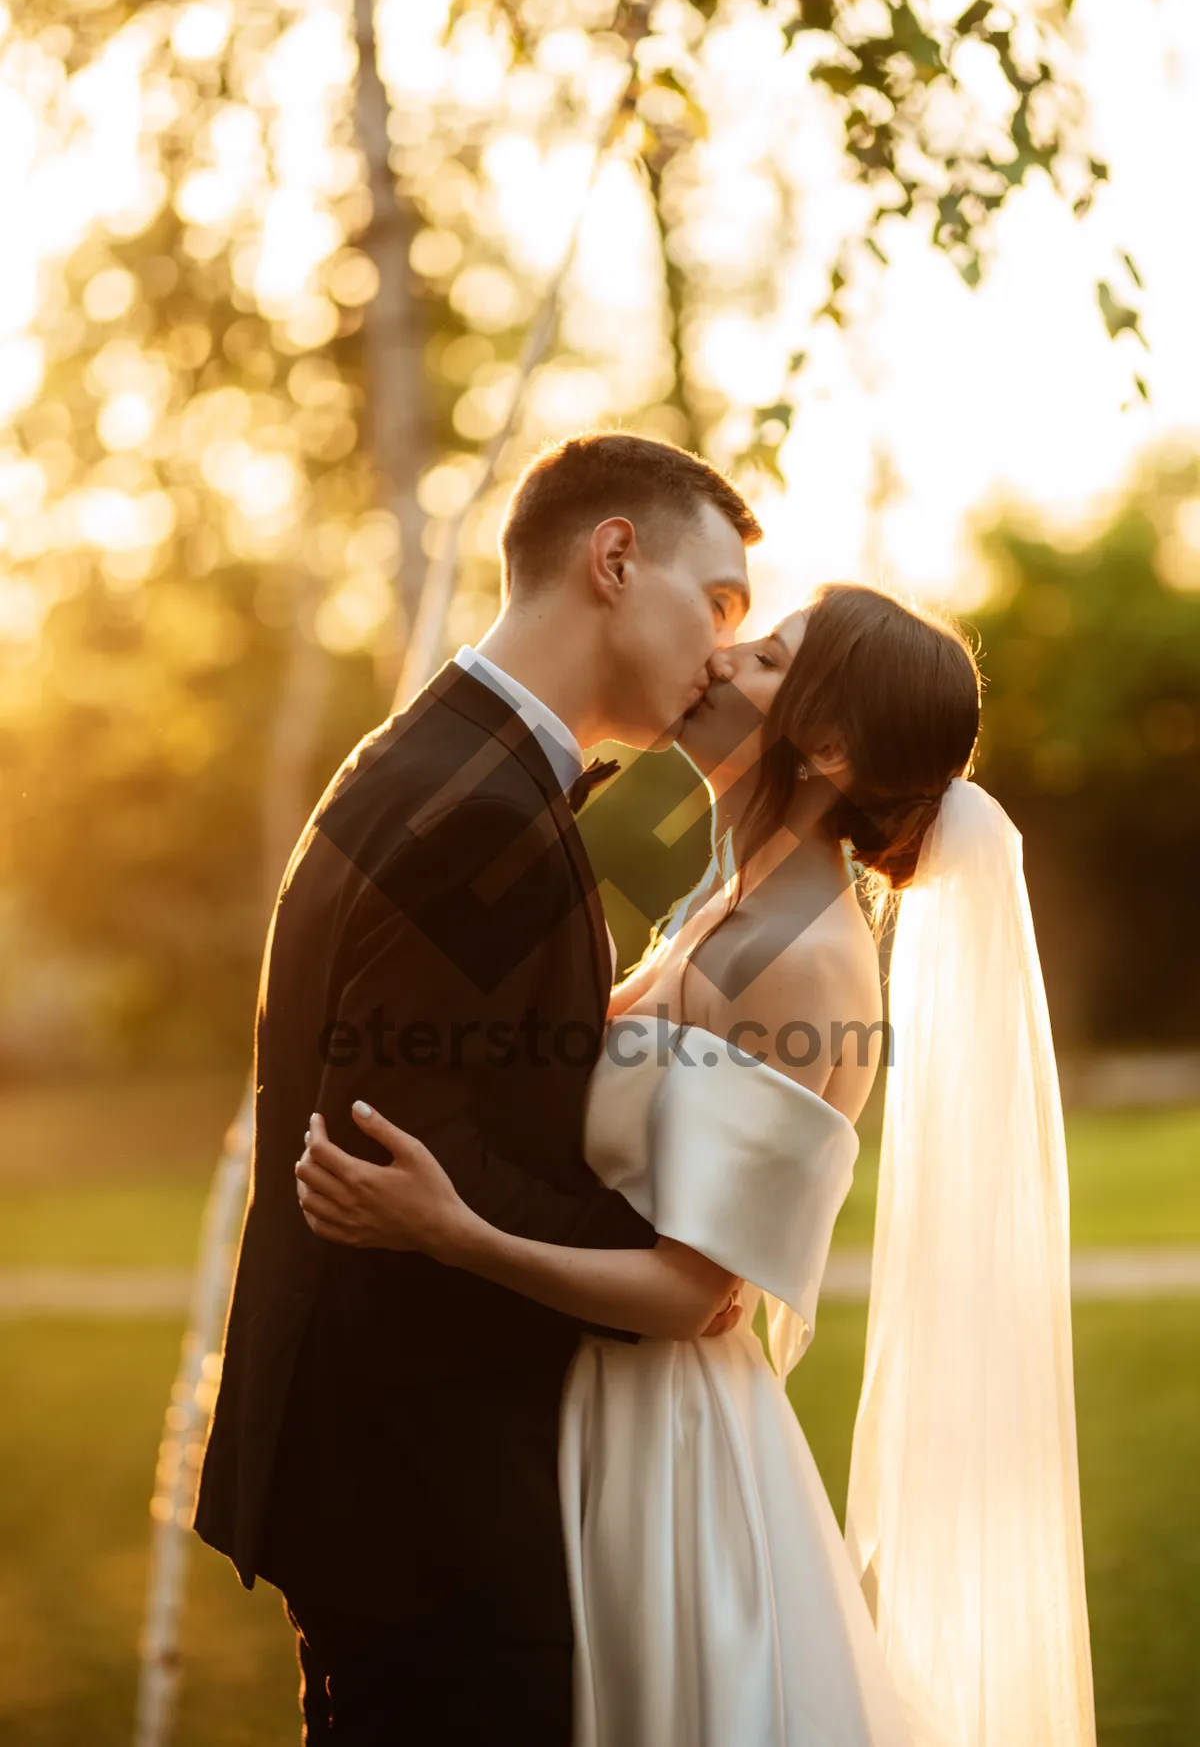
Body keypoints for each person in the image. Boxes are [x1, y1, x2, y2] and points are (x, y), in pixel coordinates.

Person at [299, 584, 1097, 1747]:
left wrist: (449, 1228)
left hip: (663, 1452)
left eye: (766, 658)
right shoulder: (727, 900)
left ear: (824, 745)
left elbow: (694, 1295)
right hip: (591, 1406)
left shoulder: (802, 963)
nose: (722, 661)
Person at [192, 431, 760, 1744]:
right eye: (717, 602)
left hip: (390, 1471)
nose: (725, 651)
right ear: (614, 558)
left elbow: (474, 1067)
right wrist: (678, 1268)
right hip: (425, 1497)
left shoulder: (437, 756)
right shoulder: (484, 810)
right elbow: (401, 1158)